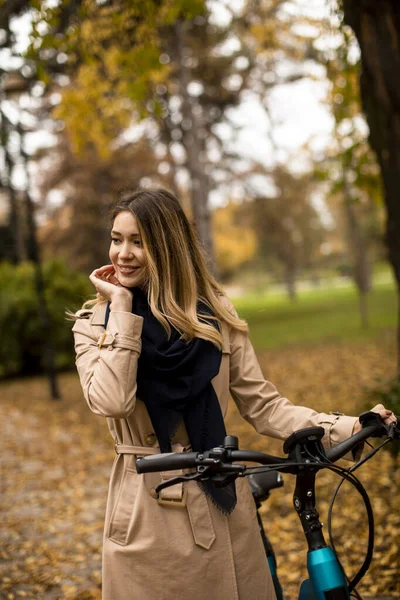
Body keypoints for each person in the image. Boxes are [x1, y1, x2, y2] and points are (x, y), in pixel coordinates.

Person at [71, 186, 395, 600]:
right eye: (117, 239)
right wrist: (120, 307)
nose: (123, 253)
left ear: (168, 248)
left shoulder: (213, 315)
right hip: (148, 513)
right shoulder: (96, 324)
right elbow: (112, 401)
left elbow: (264, 404)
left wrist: (350, 426)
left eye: (139, 241)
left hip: (223, 500)